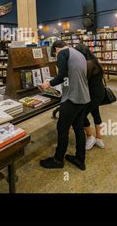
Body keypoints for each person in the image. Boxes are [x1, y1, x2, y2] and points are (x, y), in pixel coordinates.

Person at [39, 40, 90, 170]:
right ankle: (80, 159)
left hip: (72, 98)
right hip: (83, 96)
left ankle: (58, 160)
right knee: (78, 128)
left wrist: (48, 84)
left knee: (62, 129)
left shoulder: (62, 53)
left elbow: (62, 75)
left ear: (56, 49)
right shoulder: (79, 53)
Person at [75, 43, 106, 150]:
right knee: (96, 114)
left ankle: (90, 137)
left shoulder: (88, 64)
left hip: (92, 94)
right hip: (99, 93)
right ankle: (99, 138)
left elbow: (83, 81)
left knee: (81, 115)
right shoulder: (94, 61)